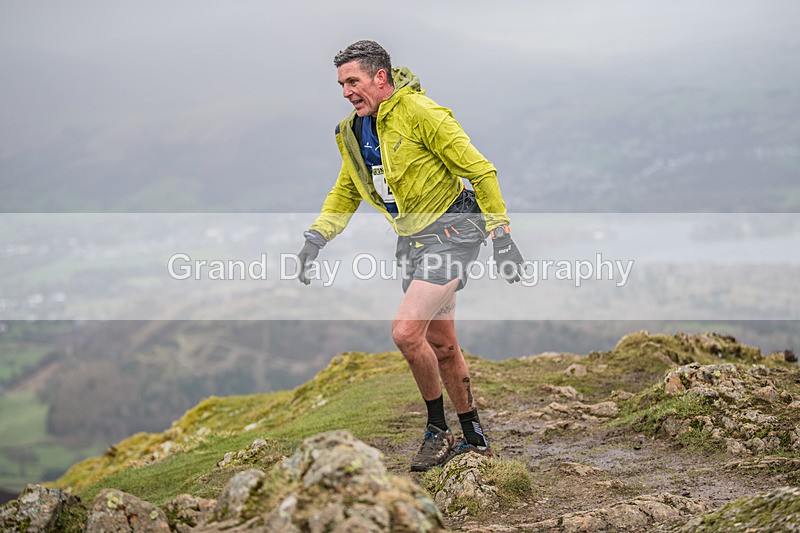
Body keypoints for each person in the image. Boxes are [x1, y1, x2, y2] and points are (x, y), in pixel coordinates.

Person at [295, 40, 525, 471]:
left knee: (405, 332)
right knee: (441, 342)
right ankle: (473, 436)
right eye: (342, 84)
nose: (346, 92)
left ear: (381, 78)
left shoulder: (422, 113)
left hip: (455, 231)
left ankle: (437, 431)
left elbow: (481, 170)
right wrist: (316, 239)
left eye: (353, 81)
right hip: (414, 242)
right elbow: (346, 191)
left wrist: (502, 236)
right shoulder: (352, 131)